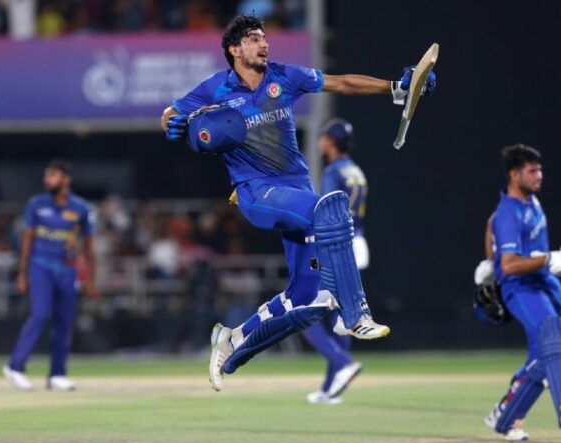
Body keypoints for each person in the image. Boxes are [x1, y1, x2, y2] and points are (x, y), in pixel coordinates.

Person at [161, 15, 436, 391]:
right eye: (254, 38)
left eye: (264, 37)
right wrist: (172, 124)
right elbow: (170, 114)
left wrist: (396, 88)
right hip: (257, 192)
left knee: (307, 300)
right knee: (329, 208)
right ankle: (355, 315)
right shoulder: (215, 88)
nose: (264, 43)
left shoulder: (285, 76)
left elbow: (342, 83)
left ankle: (232, 341)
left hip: (297, 191)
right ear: (235, 49)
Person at [473, 144, 561, 440]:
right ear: (514, 175)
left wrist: (489, 260)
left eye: (540, 170)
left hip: (545, 286)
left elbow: (489, 224)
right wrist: (548, 259)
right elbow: (510, 265)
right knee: (556, 341)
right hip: (522, 288)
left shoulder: (530, 202)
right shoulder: (509, 212)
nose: (539, 176)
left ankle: (506, 415)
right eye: (532, 171)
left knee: (543, 356)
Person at [3, 160, 98, 391]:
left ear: (66, 179)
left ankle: (57, 374)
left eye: (53, 175)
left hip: (67, 269)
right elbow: (27, 241)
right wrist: (22, 274)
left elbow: (89, 248)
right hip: (40, 266)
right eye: (47, 175)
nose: (47, 180)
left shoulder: (82, 208)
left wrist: (91, 280)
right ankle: (15, 367)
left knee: (64, 321)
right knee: (41, 313)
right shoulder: (36, 205)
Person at [303, 118, 367, 405]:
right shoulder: (356, 171)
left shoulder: (332, 172)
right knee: (342, 317)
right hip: (358, 244)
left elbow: (329, 215)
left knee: (304, 312)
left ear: (331, 142)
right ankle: (330, 389)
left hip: (338, 246)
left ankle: (343, 363)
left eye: (323, 136)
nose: (320, 141)